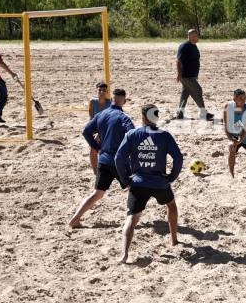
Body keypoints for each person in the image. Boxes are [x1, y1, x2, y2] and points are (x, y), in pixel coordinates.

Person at [115, 104, 183, 264]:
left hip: (138, 182)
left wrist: (125, 180)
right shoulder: (165, 135)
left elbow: (118, 158)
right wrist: (171, 177)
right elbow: (178, 158)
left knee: (131, 219)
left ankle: (124, 255)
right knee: (171, 205)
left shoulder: (132, 134)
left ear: (143, 117)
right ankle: (173, 240)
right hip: (160, 182)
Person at [69, 88, 135, 228]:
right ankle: (131, 219)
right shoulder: (124, 118)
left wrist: (97, 148)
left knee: (97, 193)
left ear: (112, 99)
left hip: (104, 159)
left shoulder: (101, 115)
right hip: (119, 161)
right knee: (133, 188)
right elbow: (132, 136)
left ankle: (75, 218)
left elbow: (86, 131)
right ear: (124, 101)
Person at [176, 28, 214, 121]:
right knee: (198, 90)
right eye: (193, 36)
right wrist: (179, 74)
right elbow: (178, 61)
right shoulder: (184, 46)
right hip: (186, 76)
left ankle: (180, 114)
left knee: (185, 93)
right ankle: (203, 113)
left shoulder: (194, 46)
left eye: (196, 36)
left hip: (191, 75)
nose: (195, 38)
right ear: (189, 36)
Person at [88, 81, 111, 174]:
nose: (101, 92)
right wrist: (94, 132)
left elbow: (110, 120)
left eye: (104, 90)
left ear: (107, 92)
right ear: (96, 91)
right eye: (100, 90)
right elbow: (91, 117)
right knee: (93, 149)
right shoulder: (93, 102)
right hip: (94, 128)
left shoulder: (110, 103)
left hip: (106, 129)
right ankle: (95, 172)